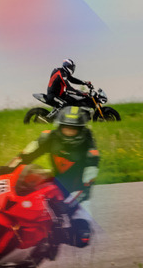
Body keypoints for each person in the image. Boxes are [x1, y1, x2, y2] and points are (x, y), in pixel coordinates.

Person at [5, 106, 99, 253]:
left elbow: (88, 183)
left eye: (73, 129)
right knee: (20, 190)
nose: (68, 132)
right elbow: (26, 154)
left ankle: (53, 238)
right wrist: (8, 167)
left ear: (81, 130)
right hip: (53, 180)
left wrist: (71, 204)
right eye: (66, 128)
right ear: (60, 126)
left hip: (76, 190)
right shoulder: (49, 137)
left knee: (82, 237)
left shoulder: (90, 151)